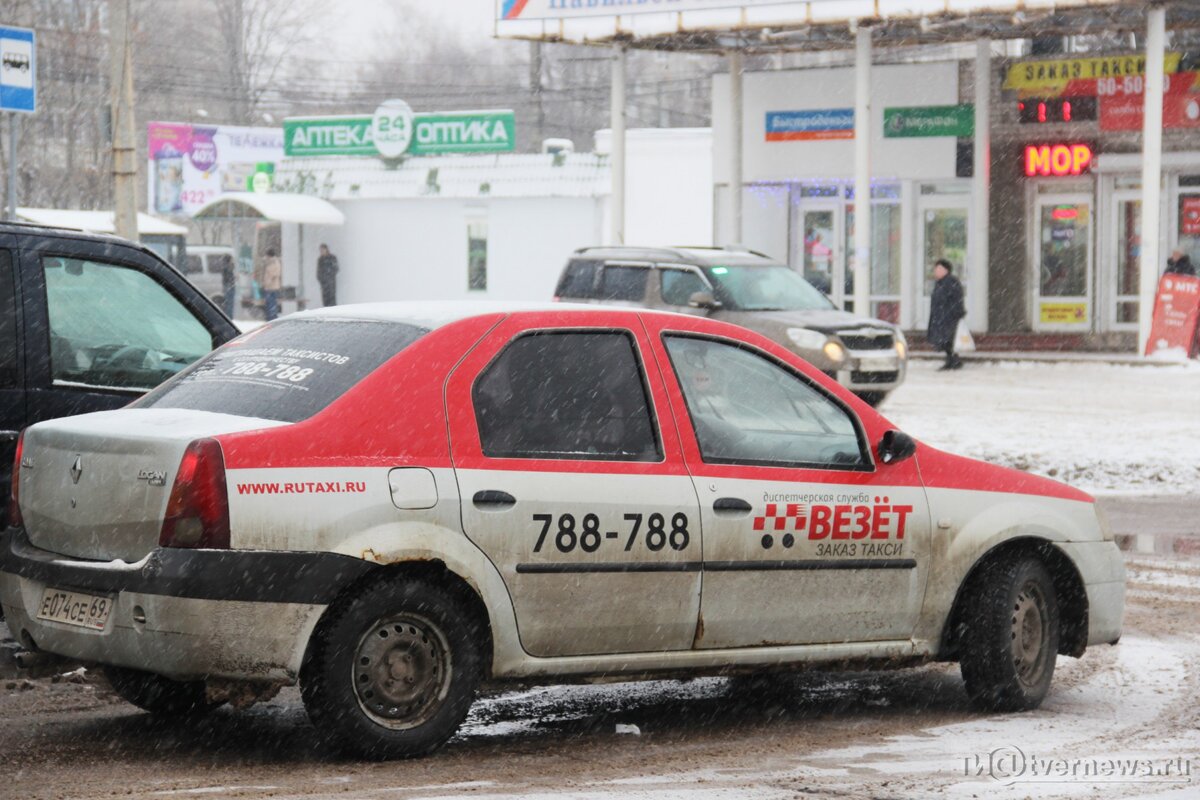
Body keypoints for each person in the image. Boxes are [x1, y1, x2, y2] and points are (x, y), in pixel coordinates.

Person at [928, 258, 966, 371]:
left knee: (948, 340)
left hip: (948, 317)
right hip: (940, 316)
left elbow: (956, 299)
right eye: (936, 269)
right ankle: (952, 360)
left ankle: (953, 361)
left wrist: (955, 313)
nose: (936, 271)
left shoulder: (951, 282)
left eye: (939, 269)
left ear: (946, 270)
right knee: (945, 341)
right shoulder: (940, 283)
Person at [261, 248, 283, 321]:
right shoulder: (270, 262)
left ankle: (272, 319)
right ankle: (270, 319)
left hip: (272, 287)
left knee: (271, 305)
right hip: (268, 287)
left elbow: (275, 274)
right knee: (269, 305)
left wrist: (268, 283)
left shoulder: (274, 262)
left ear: (269, 255)